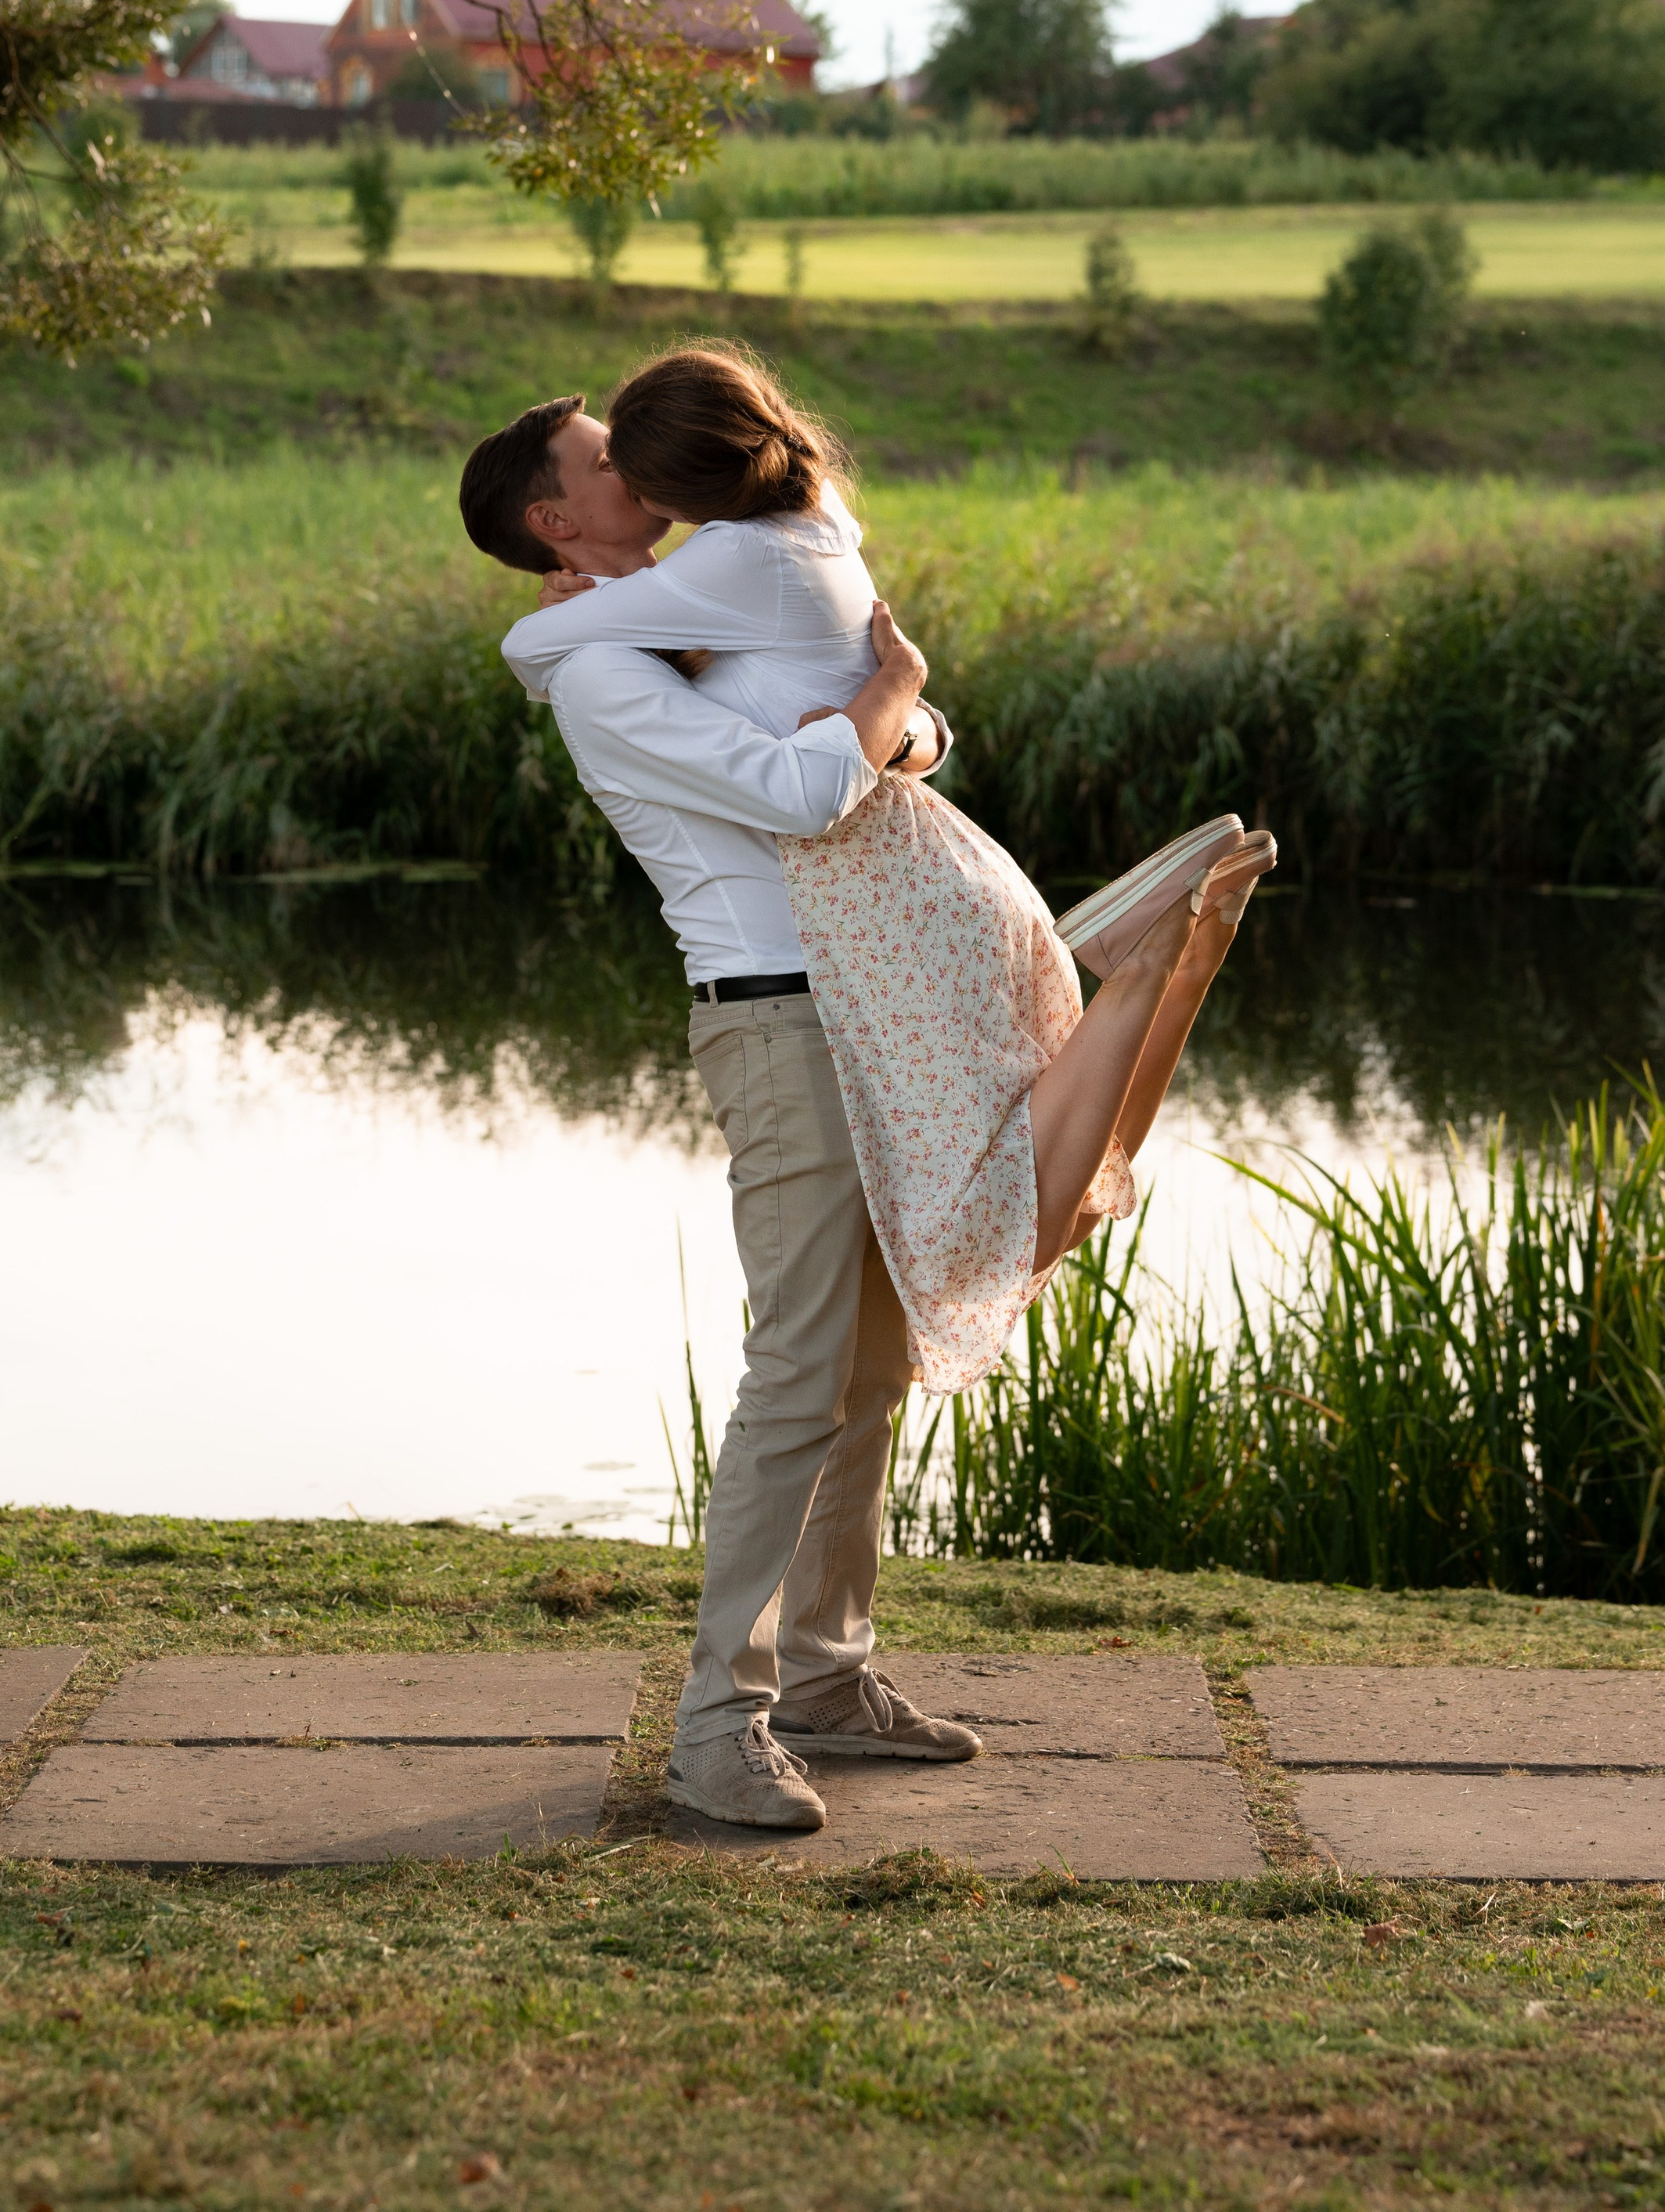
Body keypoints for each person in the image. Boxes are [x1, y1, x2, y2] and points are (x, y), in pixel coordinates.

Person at [457, 366, 1270, 1833]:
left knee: (873, 1371)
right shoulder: (594, 664)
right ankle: (719, 1722)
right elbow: (798, 795)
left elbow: (905, 733)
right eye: (599, 463)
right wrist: (884, 707)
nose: (632, 471)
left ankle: (829, 1677)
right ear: (550, 517)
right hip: (783, 1029)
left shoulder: (709, 603)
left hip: (880, 1011)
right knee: (796, 1372)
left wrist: (904, 713)